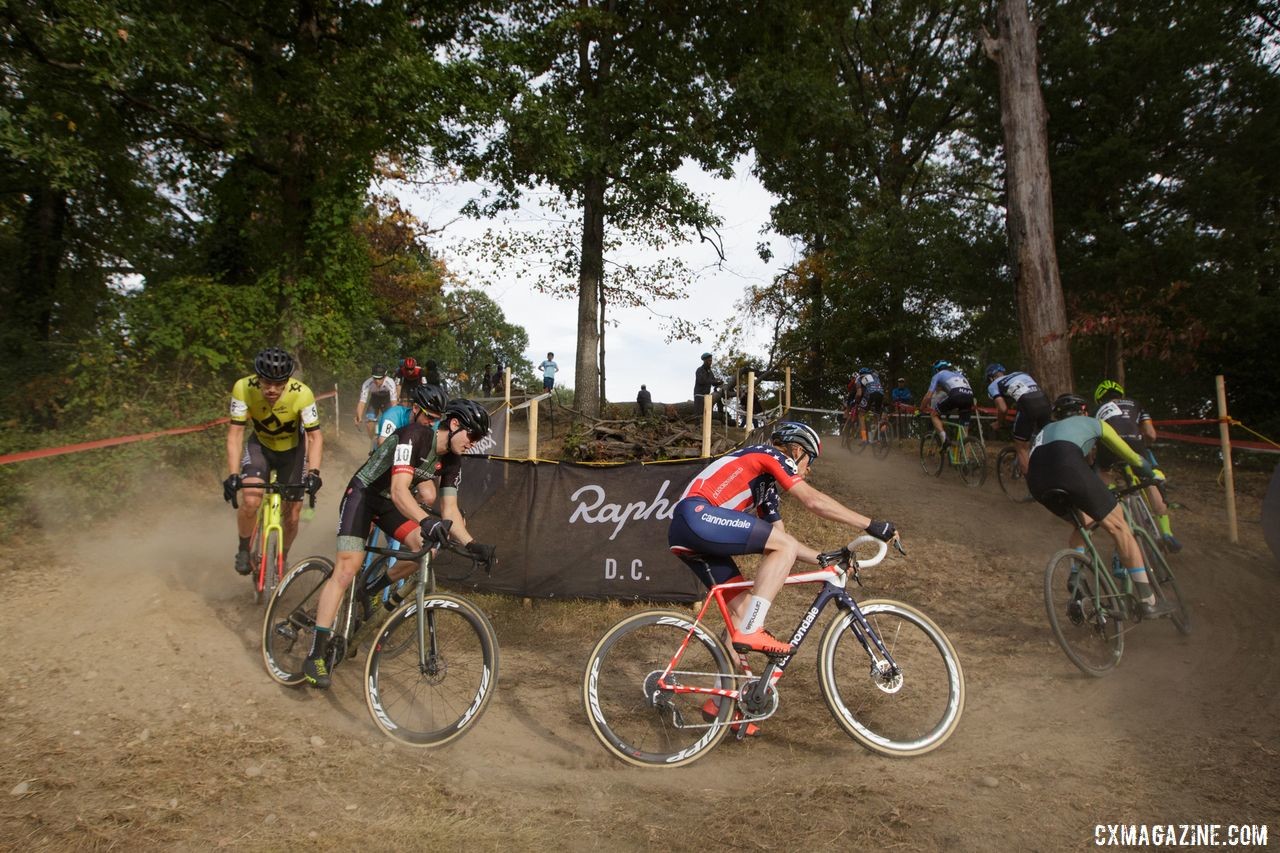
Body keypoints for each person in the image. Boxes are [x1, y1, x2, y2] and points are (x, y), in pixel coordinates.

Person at [303, 398, 498, 688]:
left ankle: (372, 588)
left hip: (390, 506)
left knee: (427, 547)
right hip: (364, 496)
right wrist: (425, 520)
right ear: (455, 424)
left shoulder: (453, 461)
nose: (474, 443)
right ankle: (315, 653)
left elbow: (450, 511)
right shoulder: (414, 436)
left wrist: (472, 544)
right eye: (474, 436)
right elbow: (397, 490)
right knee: (347, 568)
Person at [668, 420, 898, 666]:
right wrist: (871, 524)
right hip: (697, 515)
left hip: (687, 533)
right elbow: (812, 501)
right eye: (811, 461)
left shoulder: (765, 487)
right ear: (797, 451)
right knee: (754, 618)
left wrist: (825, 559)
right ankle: (753, 629)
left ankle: (722, 698)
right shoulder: (769, 454)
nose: (809, 470)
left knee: (743, 615)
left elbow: (782, 539)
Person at [1025, 394, 1174, 618]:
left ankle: (1076, 574)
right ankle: (1147, 600)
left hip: (1036, 482)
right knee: (1120, 527)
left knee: (1083, 522)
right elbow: (1132, 457)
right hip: (1069, 469)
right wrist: (1152, 476)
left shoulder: (1045, 431)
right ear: (1084, 411)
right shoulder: (1094, 423)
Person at [223, 347, 324, 575]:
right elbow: (235, 434)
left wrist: (314, 472)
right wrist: (232, 475)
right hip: (260, 447)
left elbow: (315, 436)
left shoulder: (302, 394)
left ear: (287, 380)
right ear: (257, 377)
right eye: (266, 382)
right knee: (250, 499)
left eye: (279, 384)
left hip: (293, 452)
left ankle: (283, 555)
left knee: (293, 516)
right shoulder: (243, 388)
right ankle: (243, 549)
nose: (271, 389)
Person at [1093, 380, 1181, 552]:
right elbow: (1151, 434)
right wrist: (1145, 446)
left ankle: (1112, 495)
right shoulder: (1136, 404)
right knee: (1149, 481)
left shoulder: (1096, 410)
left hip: (1111, 446)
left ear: (1099, 398)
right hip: (1136, 445)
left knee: (1102, 470)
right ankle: (1167, 533)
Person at [985, 363, 1052, 474]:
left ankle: (1033, 488)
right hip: (1045, 402)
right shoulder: (1020, 373)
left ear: (991, 378)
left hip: (1028, 405)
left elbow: (1002, 409)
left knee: (1021, 447)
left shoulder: (993, 385)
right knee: (1046, 440)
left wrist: (999, 423)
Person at [923, 360, 974, 446]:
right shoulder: (958, 374)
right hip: (969, 396)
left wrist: (922, 408)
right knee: (964, 431)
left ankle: (944, 439)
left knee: (933, 414)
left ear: (936, 370)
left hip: (956, 395)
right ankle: (966, 458)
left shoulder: (937, 375)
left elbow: (928, 396)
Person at [355, 364, 397, 444]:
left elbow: (394, 403)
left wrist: (393, 417)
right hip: (374, 400)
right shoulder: (367, 383)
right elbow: (362, 402)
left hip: (387, 401)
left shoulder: (390, 382)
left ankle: (387, 441)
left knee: (389, 421)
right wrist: (359, 417)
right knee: (369, 423)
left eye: (380, 378)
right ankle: (373, 441)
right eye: (375, 378)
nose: (377, 381)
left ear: (385, 376)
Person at [847, 366, 884, 443]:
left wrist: (856, 401)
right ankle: (877, 438)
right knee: (877, 416)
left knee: (861, 414)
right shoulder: (875, 376)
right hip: (880, 394)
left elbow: (859, 394)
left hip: (870, 394)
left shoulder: (859, 378)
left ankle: (864, 439)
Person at [693, 352, 724, 417]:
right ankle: (697, 426)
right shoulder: (699, 370)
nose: (710, 362)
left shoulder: (710, 372)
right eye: (709, 360)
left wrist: (719, 383)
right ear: (704, 360)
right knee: (699, 414)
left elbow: (713, 382)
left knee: (706, 414)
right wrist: (713, 381)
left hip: (707, 396)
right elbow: (702, 381)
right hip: (699, 395)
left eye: (711, 360)